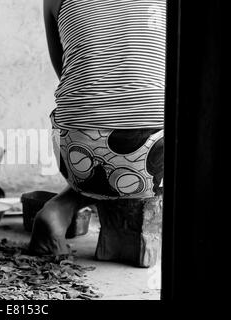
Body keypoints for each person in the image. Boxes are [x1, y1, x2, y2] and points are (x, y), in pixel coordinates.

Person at [29, 0, 166, 255]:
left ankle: (61, 207)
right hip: (153, 160)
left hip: (75, 153)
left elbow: (66, 71)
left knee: (101, 132)